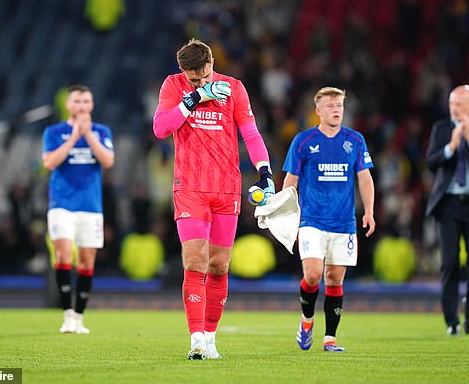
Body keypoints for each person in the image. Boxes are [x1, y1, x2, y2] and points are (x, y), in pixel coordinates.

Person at [153, 39, 275, 360]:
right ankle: (195, 339)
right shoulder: (174, 86)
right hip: (190, 187)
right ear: (183, 72)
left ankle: (210, 338)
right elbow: (161, 128)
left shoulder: (233, 88)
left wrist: (264, 171)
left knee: (219, 266)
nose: (199, 81)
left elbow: (250, 133)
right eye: (192, 78)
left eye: (202, 76)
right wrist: (192, 98)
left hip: (226, 188)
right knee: (195, 261)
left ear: (210, 63)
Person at [281, 86, 375, 352]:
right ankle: (307, 321)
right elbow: (291, 180)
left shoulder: (355, 140)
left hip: (344, 222)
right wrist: (287, 213)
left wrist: (368, 211)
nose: (336, 110)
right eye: (331, 106)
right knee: (313, 275)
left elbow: (365, 177)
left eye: (340, 105)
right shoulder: (303, 140)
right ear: (318, 111)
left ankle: (330, 339)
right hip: (312, 220)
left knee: (334, 279)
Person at [42, 84, 114, 334]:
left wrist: (88, 135)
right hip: (61, 204)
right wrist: (74, 137)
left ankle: (80, 317)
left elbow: (108, 161)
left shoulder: (101, 131)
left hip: (90, 206)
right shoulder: (54, 131)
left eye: (86, 101)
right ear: (68, 105)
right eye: (77, 101)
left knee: (86, 261)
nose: (82, 106)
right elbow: (49, 162)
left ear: (91, 105)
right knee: (62, 255)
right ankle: (67, 315)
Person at [425, 84, 469, 335]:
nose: (454, 109)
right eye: (451, 104)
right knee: (449, 263)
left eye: (459, 104)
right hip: (449, 205)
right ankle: (451, 320)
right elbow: (431, 163)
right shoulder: (441, 129)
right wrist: (451, 147)